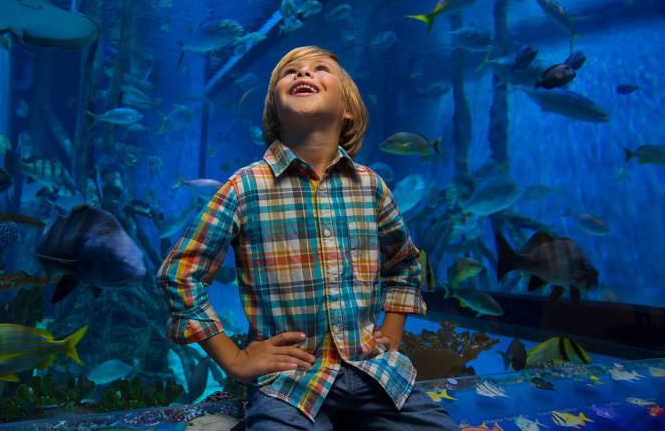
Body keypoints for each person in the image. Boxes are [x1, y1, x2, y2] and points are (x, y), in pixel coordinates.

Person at [157, 46, 459, 430]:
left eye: (320, 69)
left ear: (348, 108)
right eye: (290, 72)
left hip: (379, 376)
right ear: (273, 111)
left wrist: (392, 336)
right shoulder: (244, 187)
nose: (303, 74)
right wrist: (234, 360)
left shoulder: (371, 186)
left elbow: (404, 263)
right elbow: (179, 273)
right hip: (291, 384)